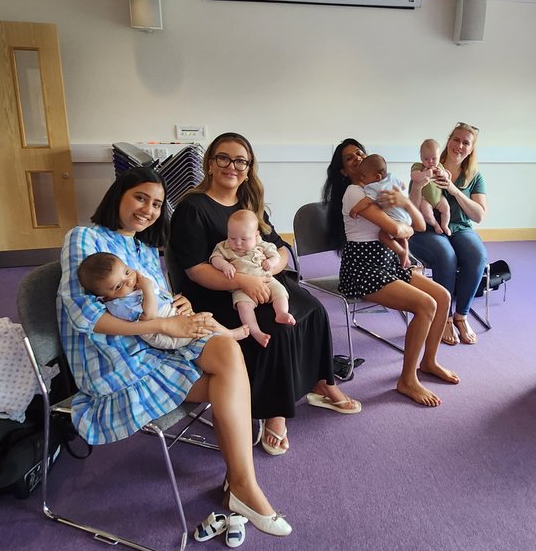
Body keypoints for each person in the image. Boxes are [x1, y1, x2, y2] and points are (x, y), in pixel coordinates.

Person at [58, 167, 290, 536]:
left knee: (229, 350)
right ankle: (242, 484)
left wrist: (177, 304)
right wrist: (162, 324)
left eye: (156, 204)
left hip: (163, 337)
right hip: (117, 355)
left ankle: (242, 484)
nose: (147, 209)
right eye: (140, 198)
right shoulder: (84, 238)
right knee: (227, 378)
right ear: (118, 194)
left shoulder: (147, 248)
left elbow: (156, 298)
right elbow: (86, 316)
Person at [169, 132, 361, 458]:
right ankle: (276, 412)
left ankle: (321, 381)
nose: (232, 166)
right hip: (217, 293)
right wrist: (242, 281)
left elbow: (282, 249)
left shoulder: (249, 204)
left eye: (240, 160)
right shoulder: (193, 207)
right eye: (224, 158)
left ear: (248, 167)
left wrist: (271, 267)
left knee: (313, 309)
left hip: (262, 282)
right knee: (276, 328)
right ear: (210, 164)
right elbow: (194, 270)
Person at [323, 138, 459, 407]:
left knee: (442, 296)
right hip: (362, 268)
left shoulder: (380, 188)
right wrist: (403, 223)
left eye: (360, 152)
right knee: (426, 304)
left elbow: (418, 225)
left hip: (387, 263)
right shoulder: (353, 192)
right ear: (343, 171)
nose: (358, 158)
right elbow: (398, 230)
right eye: (350, 158)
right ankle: (407, 380)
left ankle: (429, 362)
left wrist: (406, 202)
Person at [406, 122, 489, 347]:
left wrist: (453, 189)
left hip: (460, 228)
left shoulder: (474, 177)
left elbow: (479, 215)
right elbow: (412, 210)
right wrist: (418, 184)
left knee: (477, 255)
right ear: (449, 140)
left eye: (466, 143)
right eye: (456, 139)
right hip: (426, 230)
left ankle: (461, 315)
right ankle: (445, 317)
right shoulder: (428, 163)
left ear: (471, 149)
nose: (459, 146)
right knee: (446, 255)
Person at [77, 251, 248, 350]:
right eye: (118, 286)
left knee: (205, 320)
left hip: (171, 318)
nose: (129, 281)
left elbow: (163, 297)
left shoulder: (132, 289)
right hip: (162, 334)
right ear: (106, 297)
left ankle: (228, 334)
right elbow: (150, 317)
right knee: (205, 325)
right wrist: (147, 289)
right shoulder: (119, 305)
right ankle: (229, 335)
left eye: (127, 272)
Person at [210, 208, 294, 348]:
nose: (237, 243)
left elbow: (276, 255)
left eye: (244, 239)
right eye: (232, 238)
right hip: (241, 286)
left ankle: (281, 313)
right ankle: (255, 332)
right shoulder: (224, 247)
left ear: (256, 236)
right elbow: (214, 258)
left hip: (266, 279)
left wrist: (271, 262)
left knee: (281, 293)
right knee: (243, 306)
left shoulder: (262, 245)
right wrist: (224, 265)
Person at [356, 153, 412, 268]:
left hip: (395, 218)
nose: (361, 178)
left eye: (364, 176)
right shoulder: (391, 177)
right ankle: (405, 257)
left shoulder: (375, 187)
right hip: (406, 216)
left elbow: (367, 201)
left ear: (377, 177)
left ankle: (402, 252)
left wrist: (355, 209)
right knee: (400, 237)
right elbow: (403, 185)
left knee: (383, 236)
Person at [410, 138, 452, 235]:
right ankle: (435, 225)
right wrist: (425, 174)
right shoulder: (418, 166)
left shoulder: (439, 166)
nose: (430, 162)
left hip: (439, 198)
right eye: (426, 159)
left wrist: (442, 173)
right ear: (421, 157)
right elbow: (414, 176)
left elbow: (447, 175)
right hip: (425, 200)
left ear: (439, 156)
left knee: (446, 208)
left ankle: (444, 225)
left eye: (434, 158)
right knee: (427, 214)